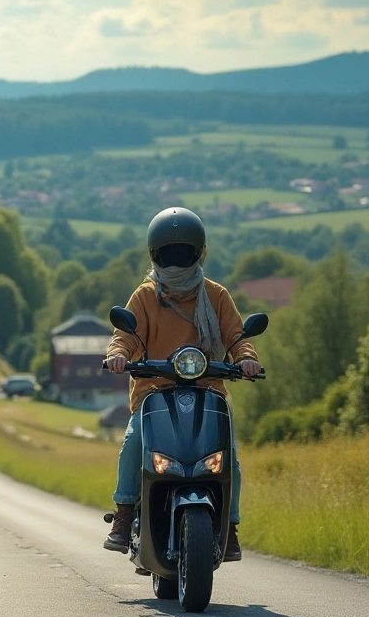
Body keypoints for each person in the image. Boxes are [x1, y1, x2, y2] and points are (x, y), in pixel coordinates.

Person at [102, 207, 262, 561]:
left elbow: (237, 337)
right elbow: (123, 336)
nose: (176, 259)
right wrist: (117, 354)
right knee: (133, 444)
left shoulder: (216, 296)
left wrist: (246, 358)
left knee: (229, 459)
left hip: (208, 393)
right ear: (156, 255)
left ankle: (230, 528)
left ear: (198, 253)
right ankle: (125, 515)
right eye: (170, 252)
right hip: (153, 394)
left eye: (183, 251)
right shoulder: (144, 296)